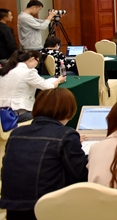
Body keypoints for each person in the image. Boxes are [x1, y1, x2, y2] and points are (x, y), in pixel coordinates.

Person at [0, 88, 88, 219]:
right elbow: (81, 173)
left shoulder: (16, 133)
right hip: (46, 208)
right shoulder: (66, 135)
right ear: (69, 111)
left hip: (12, 207)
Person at [0, 50, 65, 122]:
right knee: (49, 118)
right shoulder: (28, 72)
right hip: (18, 113)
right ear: (32, 59)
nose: (37, 65)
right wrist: (59, 80)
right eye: (38, 61)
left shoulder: (6, 70)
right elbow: (48, 87)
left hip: (3, 112)